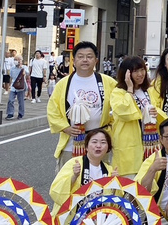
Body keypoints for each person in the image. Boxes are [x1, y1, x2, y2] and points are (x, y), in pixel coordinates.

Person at [48, 41, 117, 173]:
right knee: (70, 180)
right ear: (74, 60)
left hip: (99, 143)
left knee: (100, 179)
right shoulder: (63, 84)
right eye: (80, 56)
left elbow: (118, 106)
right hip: (72, 143)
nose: (85, 60)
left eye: (89, 56)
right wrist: (65, 128)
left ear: (96, 60)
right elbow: (53, 110)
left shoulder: (107, 82)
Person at [111, 56, 165, 177]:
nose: (140, 74)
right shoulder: (118, 92)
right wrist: (130, 88)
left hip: (150, 141)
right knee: (129, 180)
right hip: (128, 142)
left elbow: (159, 112)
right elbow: (123, 111)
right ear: (126, 73)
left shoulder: (148, 90)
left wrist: (156, 114)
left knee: (150, 178)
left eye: (142, 70)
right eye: (135, 71)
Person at [49, 129, 116, 217]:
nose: (98, 146)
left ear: (108, 148)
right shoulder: (74, 163)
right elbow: (55, 191)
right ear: (86, 147)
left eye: (103, 142)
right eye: (94, 142)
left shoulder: (109, 170)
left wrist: (115, 184)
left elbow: (114, 202)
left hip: (98, 220)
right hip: (73, 218)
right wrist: (74, 176)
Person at [5, 55, 30, 120]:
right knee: (10, 100)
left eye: (18, 59)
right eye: (15, 60)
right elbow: (11, 77)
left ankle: (21, 113)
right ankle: (10, 113)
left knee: (21, 101)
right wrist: (10, 85)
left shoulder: (24, 67)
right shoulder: (12, 68)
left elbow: (27, 74)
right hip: (13, 86)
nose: (16, 61)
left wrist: (22, 68)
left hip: (21, 86)